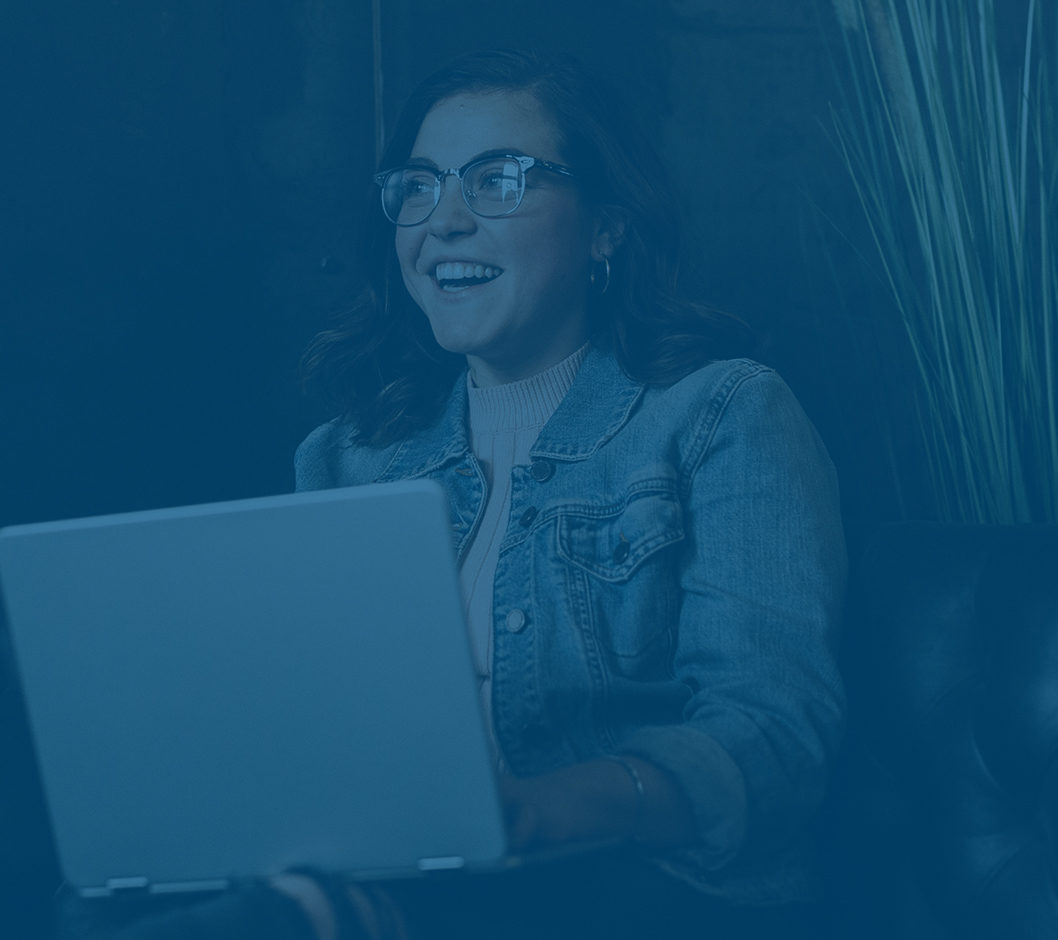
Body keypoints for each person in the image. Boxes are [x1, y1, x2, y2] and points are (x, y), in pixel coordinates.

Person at [67, 48, 845, 940]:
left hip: (643, 891)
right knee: (104, 904)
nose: (444, 221)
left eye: (498, 181)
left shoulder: (723, 413)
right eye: (419, 186)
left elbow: (775, 741)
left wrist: (542, 810)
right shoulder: (343, 460)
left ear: (607, 227)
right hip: (411, 882)